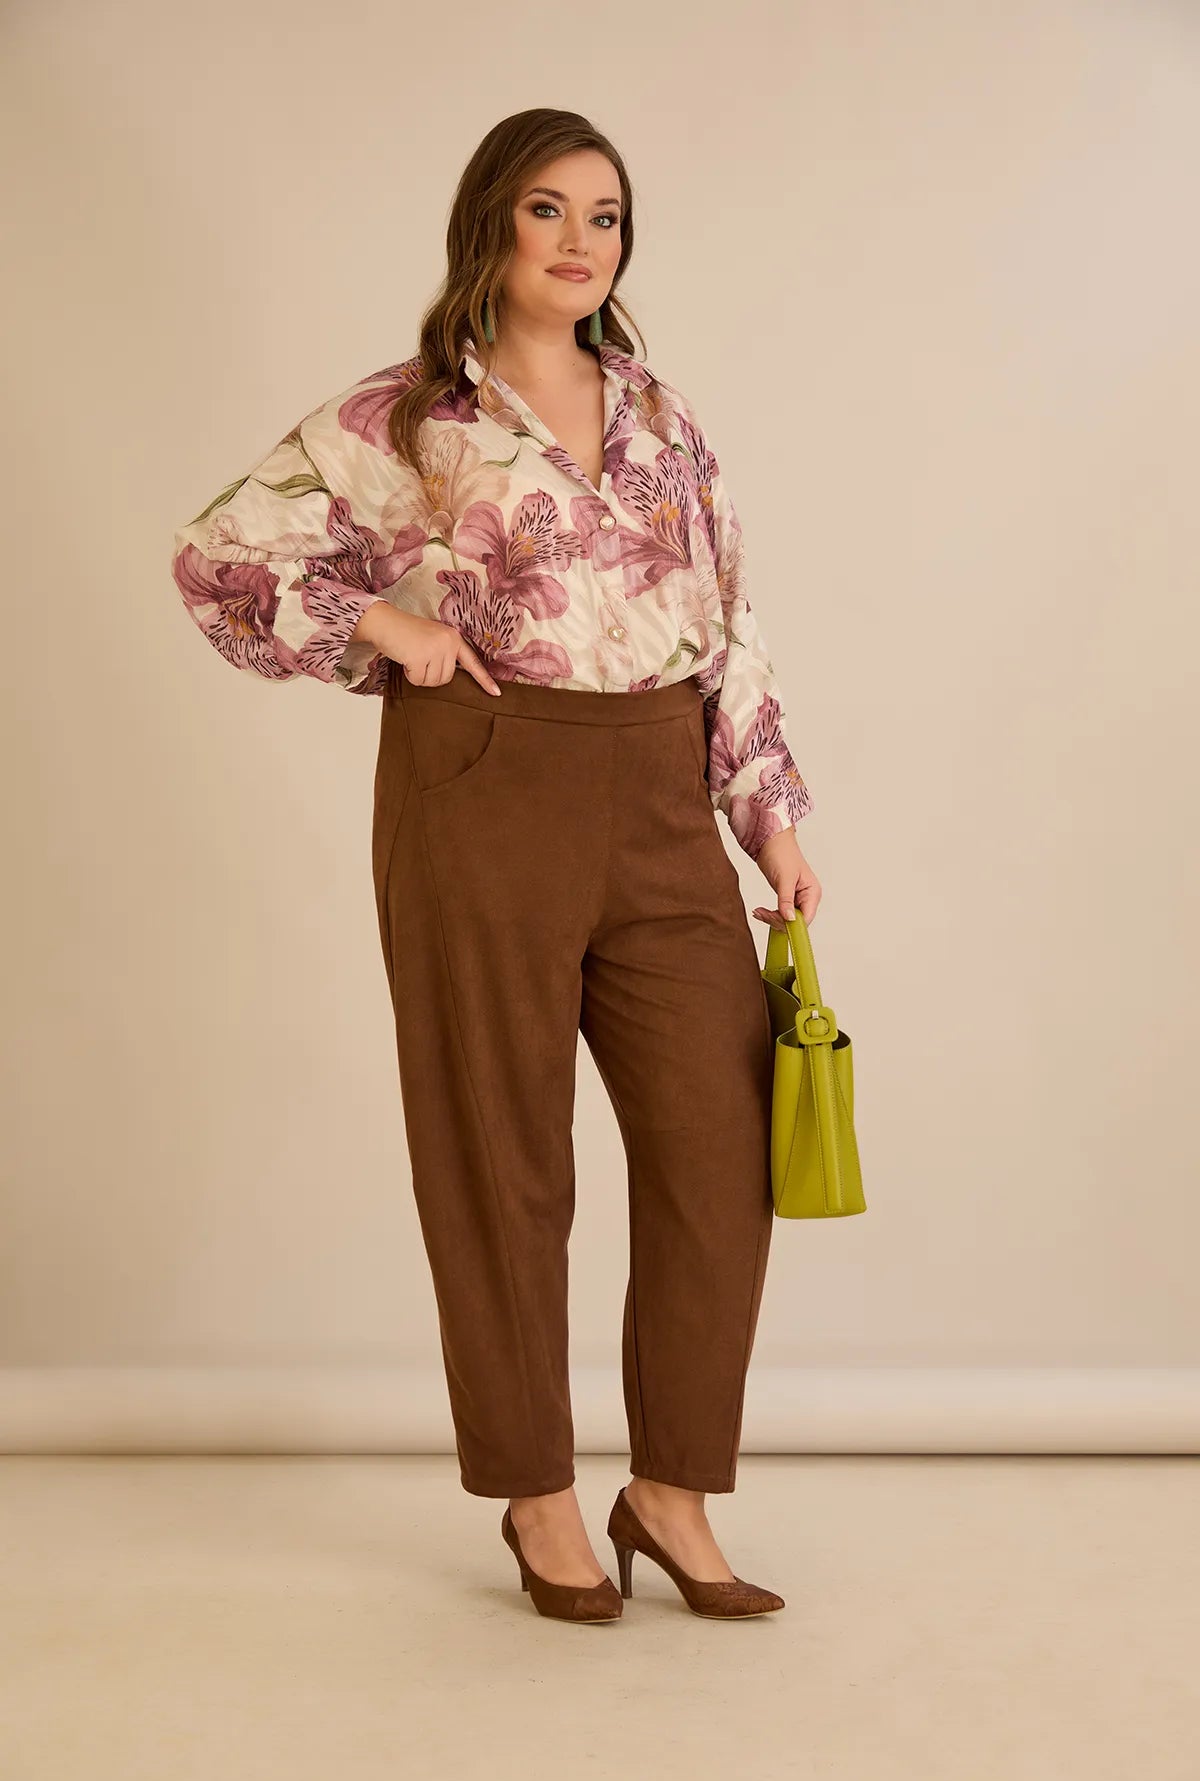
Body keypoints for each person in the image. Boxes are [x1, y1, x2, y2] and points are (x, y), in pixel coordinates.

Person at [170, 107, 822, 1624]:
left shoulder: (661, 416)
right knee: (500, 1158)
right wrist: (384, 629)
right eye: (548, 209)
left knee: (720, 1151)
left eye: (606, 214)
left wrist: (772, 815)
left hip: (661, 791)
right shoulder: (410, 417)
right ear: (491, 225)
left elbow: (731, 619)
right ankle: (537, 1496)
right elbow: (222, 553)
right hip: (482, 783)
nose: (581, 241)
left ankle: (671, 1493)